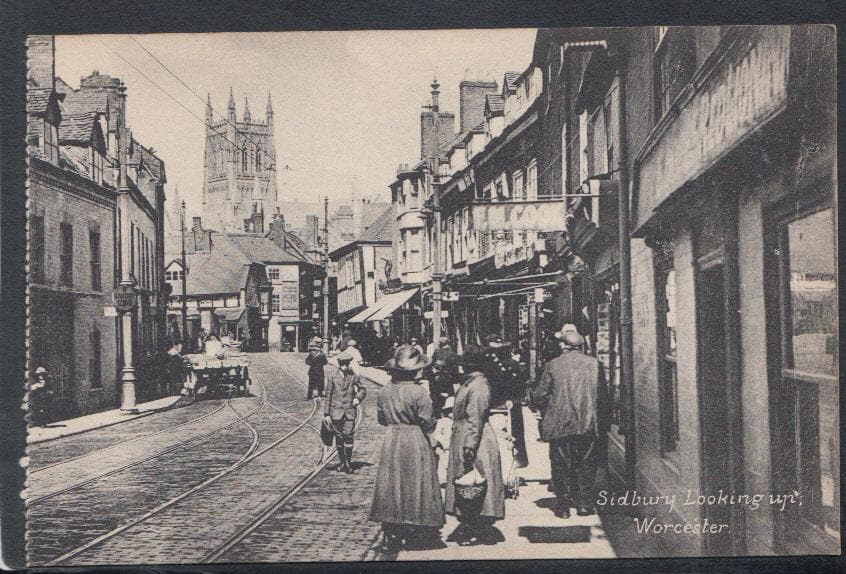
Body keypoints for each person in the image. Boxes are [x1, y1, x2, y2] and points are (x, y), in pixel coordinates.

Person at [370, 344, 445, 553]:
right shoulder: (419, 392)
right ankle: (416, 526)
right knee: (417, 482)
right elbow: (427, 421)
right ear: (413, 372)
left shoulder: (384, 391)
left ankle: (392, 529)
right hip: (414, 439)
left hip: (392, 439)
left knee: (392, 484)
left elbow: (382, 419)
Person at [533, 326, 609, 518]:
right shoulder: (595, 364)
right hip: (588, 423)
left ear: (564, 346)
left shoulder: (553, 365)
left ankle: (563, 506)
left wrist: (550, 406)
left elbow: (540, 395)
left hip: (560, 422)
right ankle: (584, 504)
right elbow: (603, 396)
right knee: (586, 464)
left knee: (560, 464)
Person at [444, 344, 505, 546]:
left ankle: (477, 529)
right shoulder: (472, 383)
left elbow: (475, 419)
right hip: (466, 435)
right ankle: (473, 526)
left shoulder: (478, 386)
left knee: (474, 483)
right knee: (468, 484)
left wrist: (469, 448)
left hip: (474, 440)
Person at [483, 334, 528, 469]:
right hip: (499, 403)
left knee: (515, 430)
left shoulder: (510, 365)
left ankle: (518, 457)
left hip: (509, 402)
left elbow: (519, 383)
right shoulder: (490, 365)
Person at [324, 351, 367, 474]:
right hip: (336, 412)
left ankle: (348, 463)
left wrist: (357, 398)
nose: (345, 366)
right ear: (339, 364)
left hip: (349, 411)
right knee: (339, 438)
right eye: (343, 364)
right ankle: (343, 463)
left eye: (347, 364)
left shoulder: (353, 376)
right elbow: (328, 396)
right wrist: (326, 414)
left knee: (348, 436)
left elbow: (363, 389)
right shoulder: (332, 377)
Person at [306, 336, 328, 400]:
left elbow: (307, 361)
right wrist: (320, 364)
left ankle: (309, 396)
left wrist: (312, 364)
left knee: (311, 383)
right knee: (320, 383)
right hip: (320, 370)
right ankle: (320, 395)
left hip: (312, 370)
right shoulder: (322, 354)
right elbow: (325, 362)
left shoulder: (311, 354)